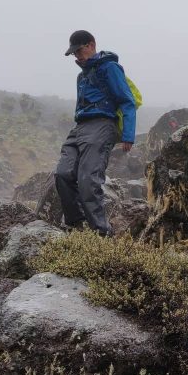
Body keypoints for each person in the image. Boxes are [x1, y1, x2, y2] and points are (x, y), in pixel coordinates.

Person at [55, 29, 137, 236]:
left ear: (91, 45)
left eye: (79, 51)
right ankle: (76, 225)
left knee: (87, 180)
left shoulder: (110, 67)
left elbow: (127, 100)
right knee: (62, 173)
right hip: (80, 127)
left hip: (101, 124)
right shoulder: (81, 76)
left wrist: (128, 135)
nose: (77, 56)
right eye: (74, 53)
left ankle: (102, 233)